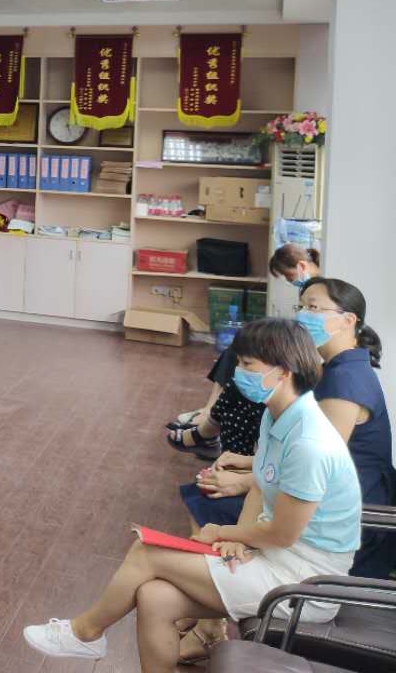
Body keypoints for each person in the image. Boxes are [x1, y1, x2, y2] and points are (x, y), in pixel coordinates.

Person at [24, 319, 362, 670]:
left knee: (146, 552)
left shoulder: (309, 442)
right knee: (154, 597)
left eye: (248, 365)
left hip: (304, 583)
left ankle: (86, 632)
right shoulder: (276, 416)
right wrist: (239, 539)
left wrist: (224, 532)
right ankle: (89, 635)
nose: (239, 373)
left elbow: (283, 533)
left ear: (284, 371)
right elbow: (261, 487)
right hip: (276, 558)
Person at [192, 280, 393, 580]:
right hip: (308, 494)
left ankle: (215, 597)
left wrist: (243, 483)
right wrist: (249, 464)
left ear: (348, 320)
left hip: (338, 517)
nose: (302, 315)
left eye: (313, 307)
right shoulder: (334, 369)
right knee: (208, 495)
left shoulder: (345, 381)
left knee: (205, 503)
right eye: (301, 306)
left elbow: (314, 463)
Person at [165, 248, 323, 440]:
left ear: (301, 266)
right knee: (235, 352)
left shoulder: (322, 288)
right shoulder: (310, 287)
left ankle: (208, 424)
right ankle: (208, 411)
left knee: (242, 370)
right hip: (294, 343)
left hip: (297, 350)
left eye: (289, 276)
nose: (290, 281)